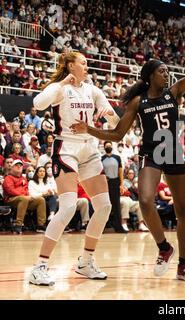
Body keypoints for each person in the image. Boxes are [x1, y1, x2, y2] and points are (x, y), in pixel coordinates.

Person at [70, 15, 185, 282]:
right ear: (150, 75)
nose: (167, 74)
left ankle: (184, 265)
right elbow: (118, 134)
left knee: (183, 211)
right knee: (144, 200)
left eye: (167, 71)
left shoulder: (174, 92)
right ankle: (164, 247)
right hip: (152, 152)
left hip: (173, 151)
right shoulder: (138, 102)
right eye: (162, 71)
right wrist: (91, 130)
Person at [29, 51, 119, 286]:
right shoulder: (60, 89)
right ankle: (40, 266)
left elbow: (116, 123)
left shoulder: (93, 90)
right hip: (66, 148)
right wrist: (61, 83)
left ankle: (85, 262)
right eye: (83, 62)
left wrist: (107, 115)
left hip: (89, 149)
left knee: (104, 207)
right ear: (70, 65)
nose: (87, 65)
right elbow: (37, 103)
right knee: (68, 207)